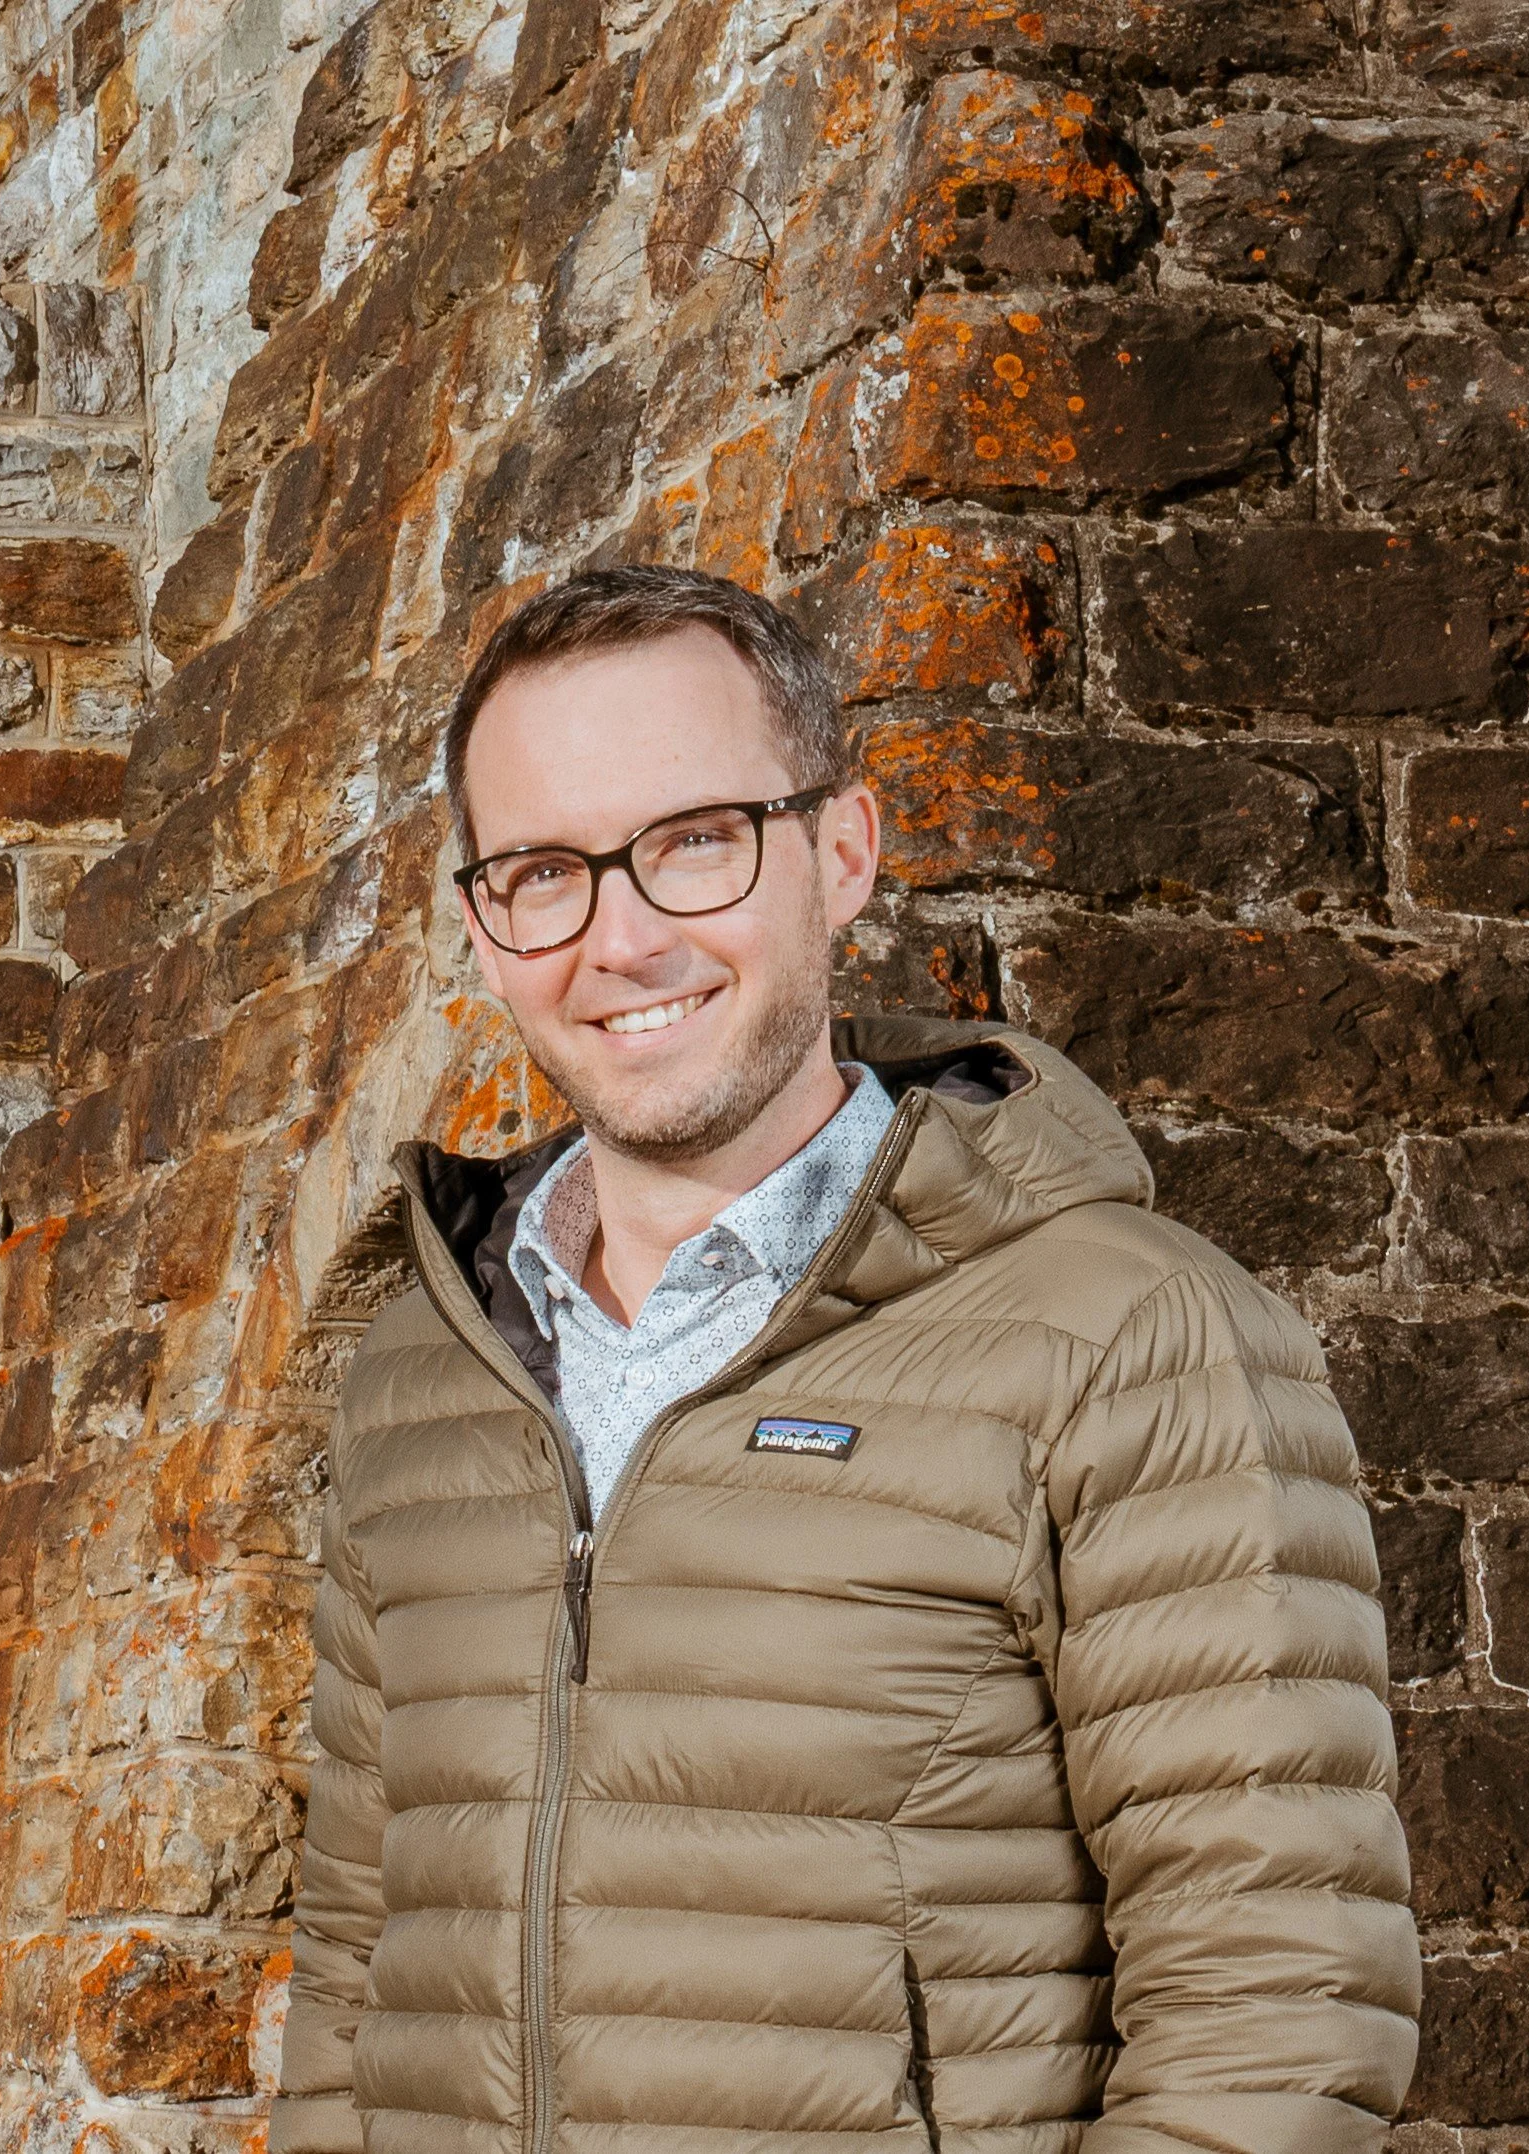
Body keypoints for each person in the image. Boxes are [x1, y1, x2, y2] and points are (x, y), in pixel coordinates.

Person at [268, 567, 1420, 2154]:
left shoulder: (1128, 1335)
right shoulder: (418, 1374)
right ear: (483, 925)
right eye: (545, 871)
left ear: (842, 852)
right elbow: (350, 1970)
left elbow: (1281, 2008)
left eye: (691, 842)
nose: (621, 936)